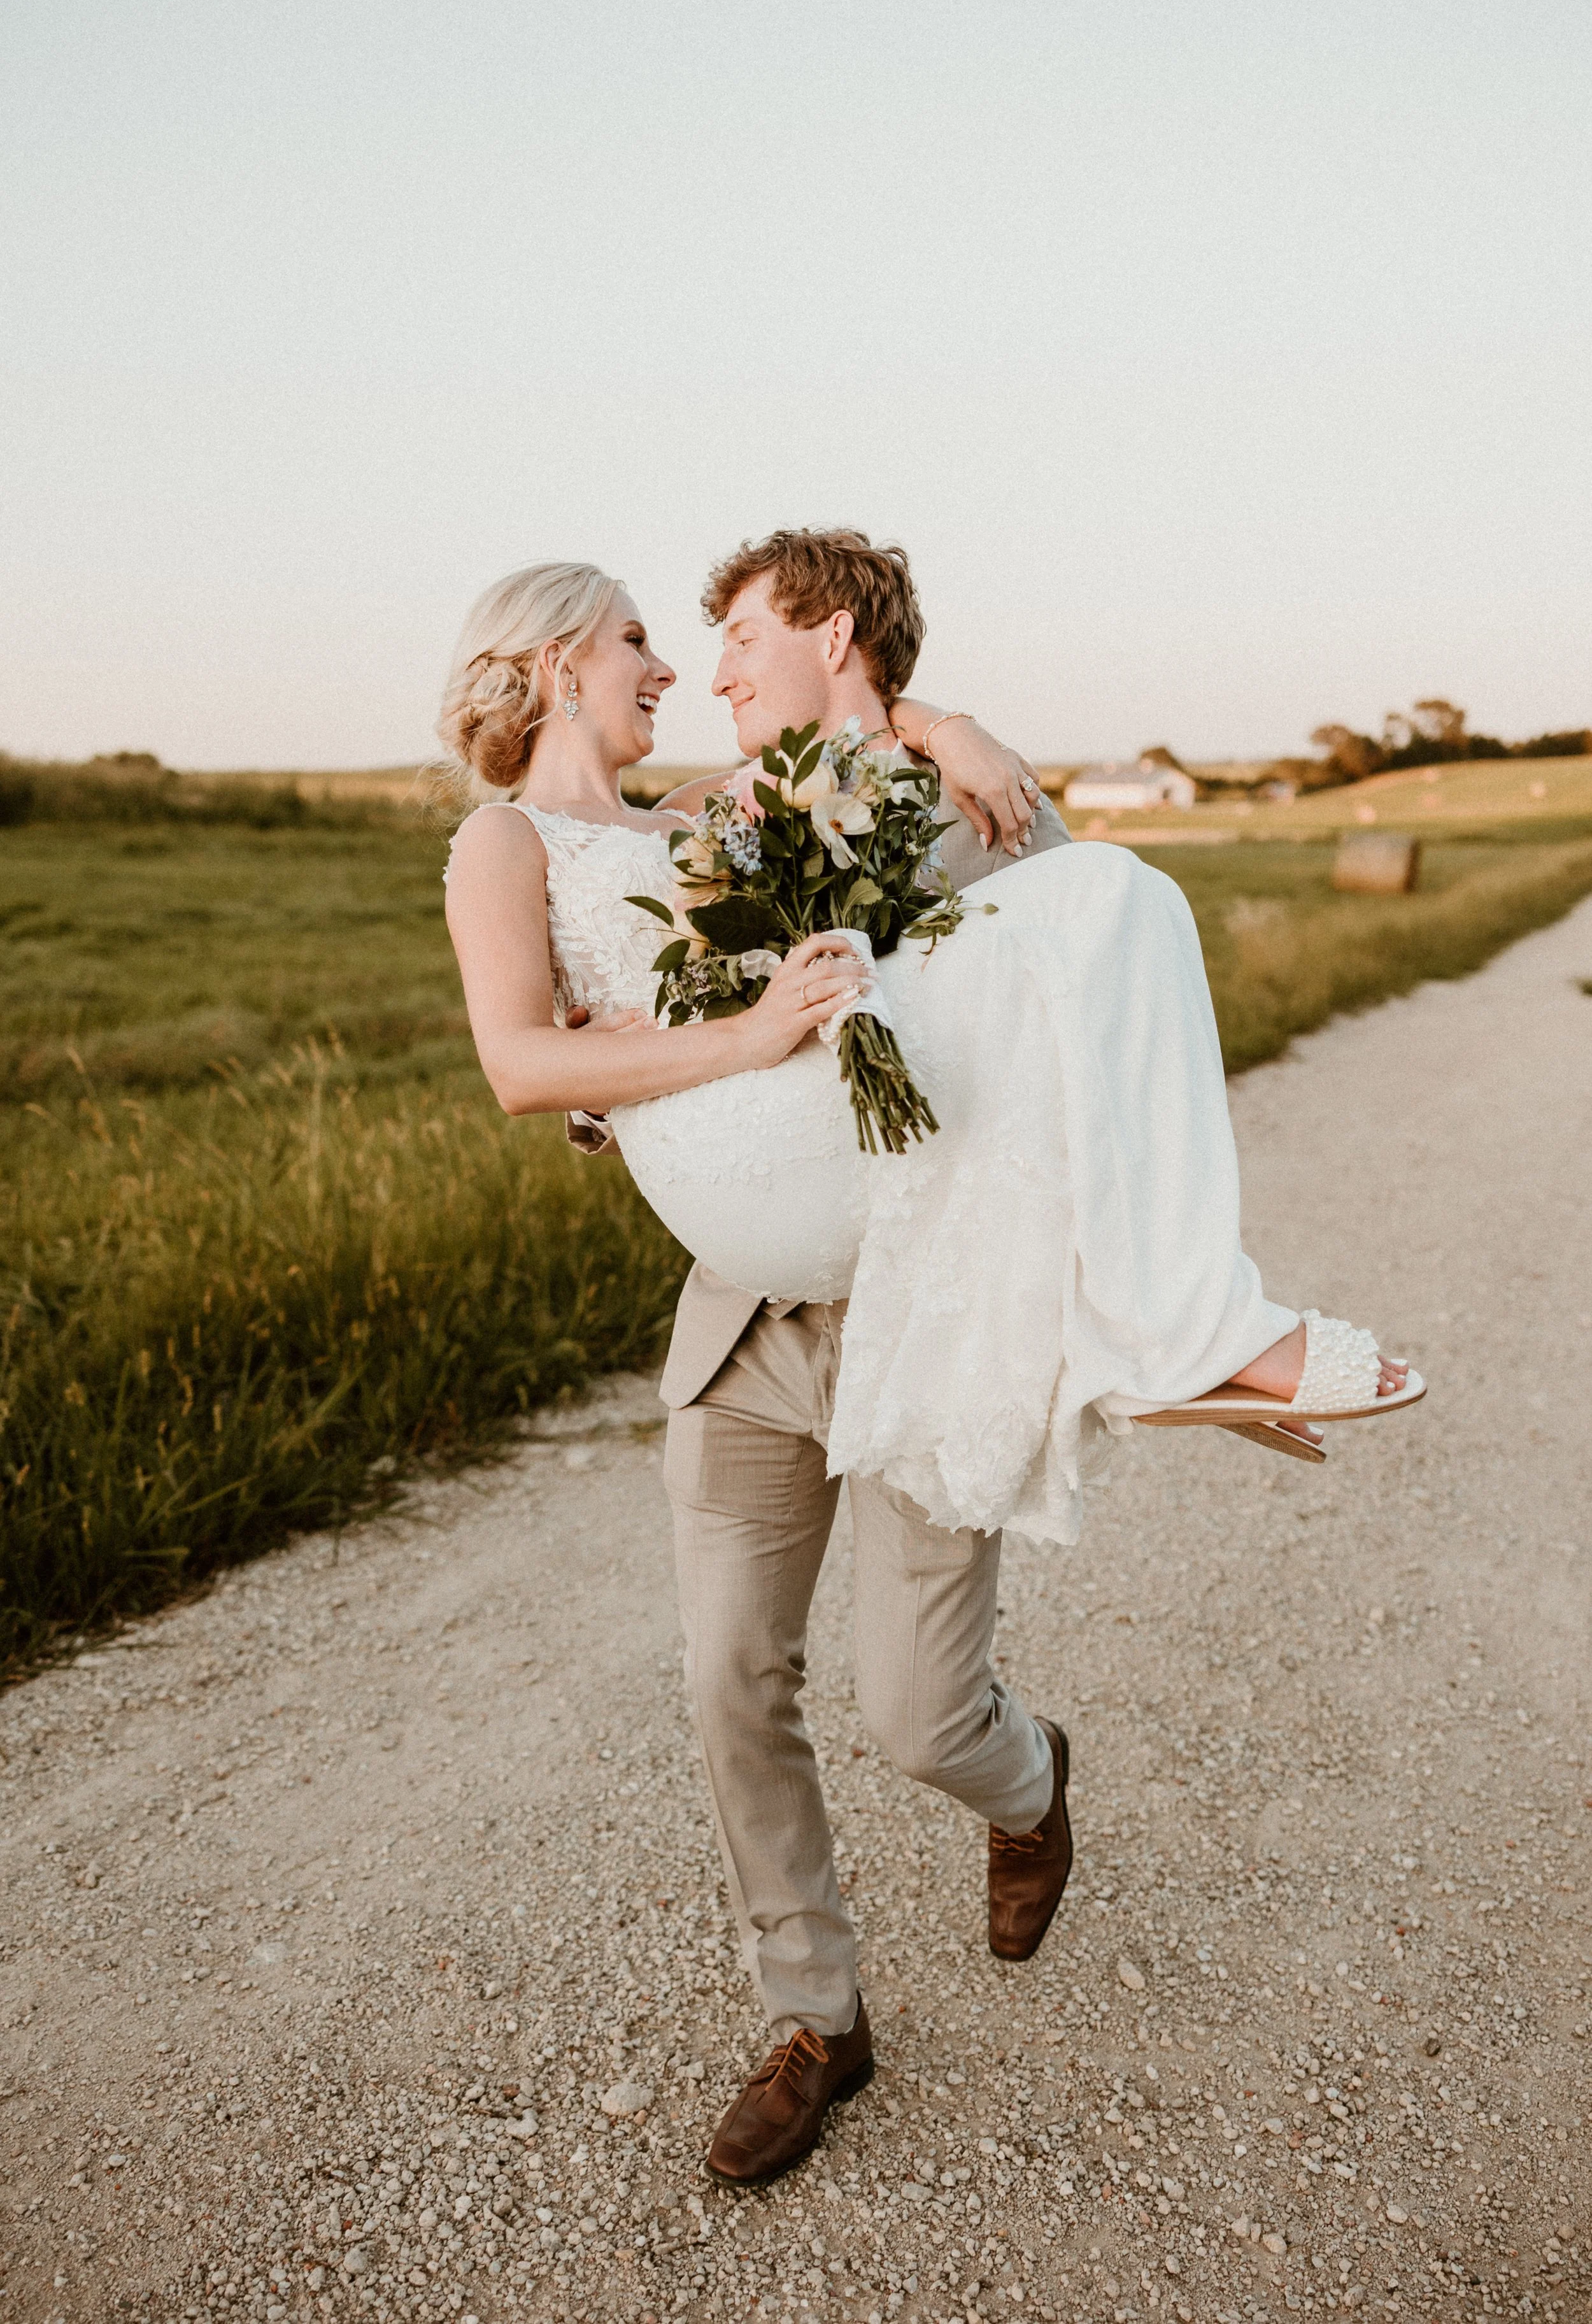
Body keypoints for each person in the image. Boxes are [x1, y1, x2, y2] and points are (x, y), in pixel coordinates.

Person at [439, 532, 1420, 2186]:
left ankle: (1027, 1783)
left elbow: (1002, 903)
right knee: (729, 1682)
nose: (669, 669)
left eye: (691, 643)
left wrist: (944, 727)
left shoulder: (717, 822)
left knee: (915, 1706)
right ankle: (817, 2014)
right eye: (632, 642)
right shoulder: (500, 839)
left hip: (923, 1298)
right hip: (743, 1327)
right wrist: (730, 1044)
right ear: (550, 667)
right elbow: (522, 1061)